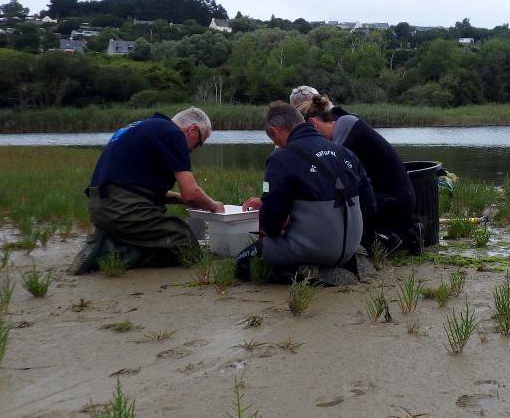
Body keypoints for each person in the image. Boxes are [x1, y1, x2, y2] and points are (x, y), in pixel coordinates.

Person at [70, 107, 224, 274]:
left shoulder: (146, 127)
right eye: (199, 143)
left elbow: (138, 188)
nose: (193, 149)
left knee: (167, 235)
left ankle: (111, 238)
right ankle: (106, 252)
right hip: (120, 209)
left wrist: (182, 200)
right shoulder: (173, 134)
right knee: (186, 243)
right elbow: (191, 193)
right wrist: (214, 206)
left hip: (101, 207)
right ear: (193, 129)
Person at [237, 101, 376, 283]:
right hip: (350, 247)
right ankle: (343, 263)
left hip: (316, 249)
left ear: (273, 131)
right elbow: (370, 206)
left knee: (242, 262)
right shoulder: (345, 153)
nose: (276, 144)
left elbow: (271, 224)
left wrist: (274, 234)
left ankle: (307, 272)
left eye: (273, 140)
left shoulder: (280, 158)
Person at [288, 86, 422, 255]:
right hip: (389, 197)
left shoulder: (347, 124)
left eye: (308, 134)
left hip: (394, 199)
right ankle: (406, 232)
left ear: (313, 123)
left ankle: (387, 239)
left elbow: (327, 169)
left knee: (340, 206)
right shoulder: (340, 127)